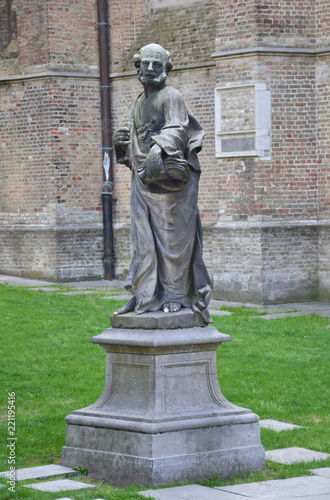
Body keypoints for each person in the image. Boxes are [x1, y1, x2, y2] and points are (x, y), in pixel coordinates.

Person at [113, 43, 211, 323]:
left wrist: (160, 147)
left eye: (158, 64)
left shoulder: (172, 96)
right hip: (143, 181)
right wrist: (123, 144)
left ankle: (175, 296)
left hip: (173, 188)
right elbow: (136, 140)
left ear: (167, 68)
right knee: (142, 239)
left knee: (173, 241)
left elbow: (179, 128)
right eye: (146, 64)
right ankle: (146, 294)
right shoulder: (137, 102)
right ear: (138, 67)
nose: (152, 69)